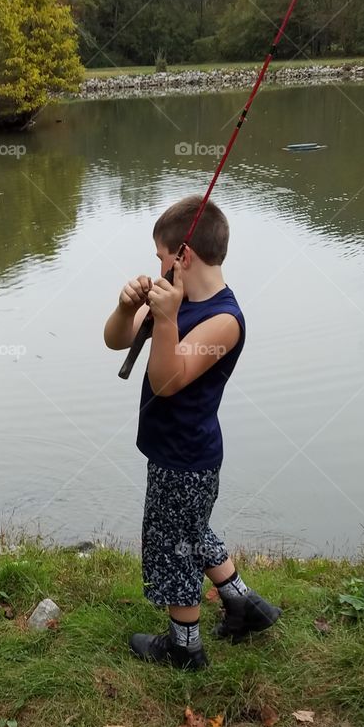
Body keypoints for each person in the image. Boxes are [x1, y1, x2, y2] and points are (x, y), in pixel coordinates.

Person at [103, 194, 281, 671]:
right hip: (174, 451)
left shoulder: (224, 321)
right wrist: (127, 309)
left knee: (172, 545)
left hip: (188, 456)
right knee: (191, 530)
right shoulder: (172, 296)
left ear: (184, 255)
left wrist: (165, 317)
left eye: (161, 255)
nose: (157, 265)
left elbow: (166, 380)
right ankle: (246, 605)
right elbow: (116, 339)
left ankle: (185, 648)